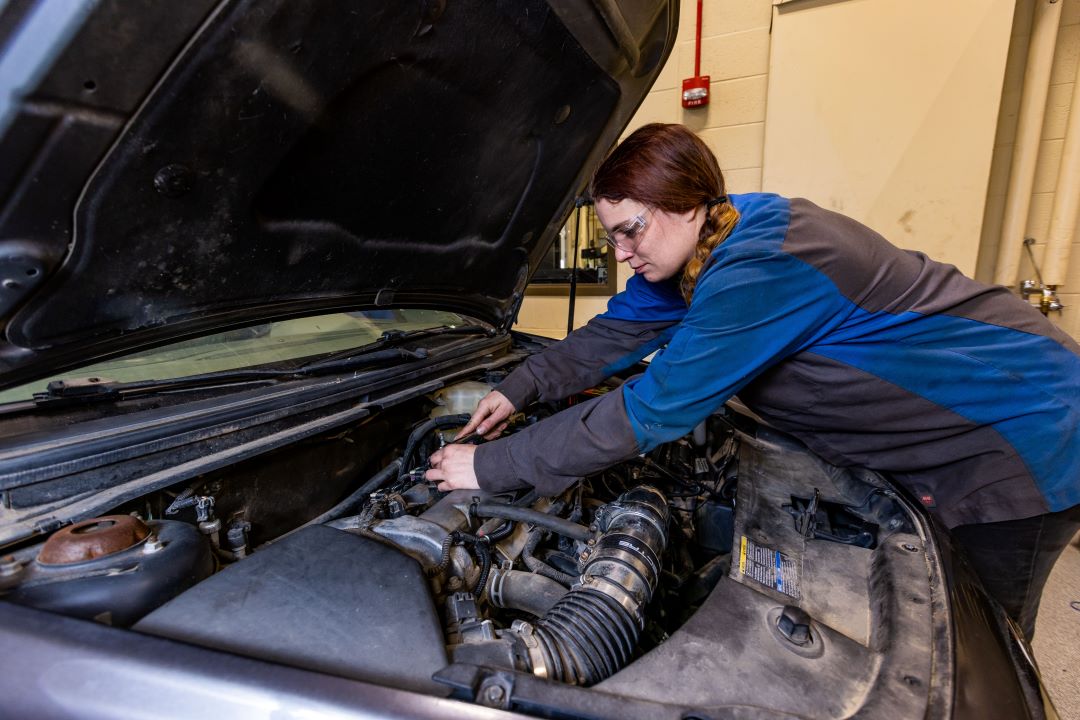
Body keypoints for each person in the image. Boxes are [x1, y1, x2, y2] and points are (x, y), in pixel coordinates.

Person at [425, 122, 1080, 638]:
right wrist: (517, 388)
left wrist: (492, 466)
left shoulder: (761, 265)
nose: (621, 253)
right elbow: (611, 335)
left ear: (686, 204)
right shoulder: (707, 243)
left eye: (631, 231)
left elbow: (649, 412)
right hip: (961, 427)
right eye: (611, 237)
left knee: (970, 639)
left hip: (1021, 429)